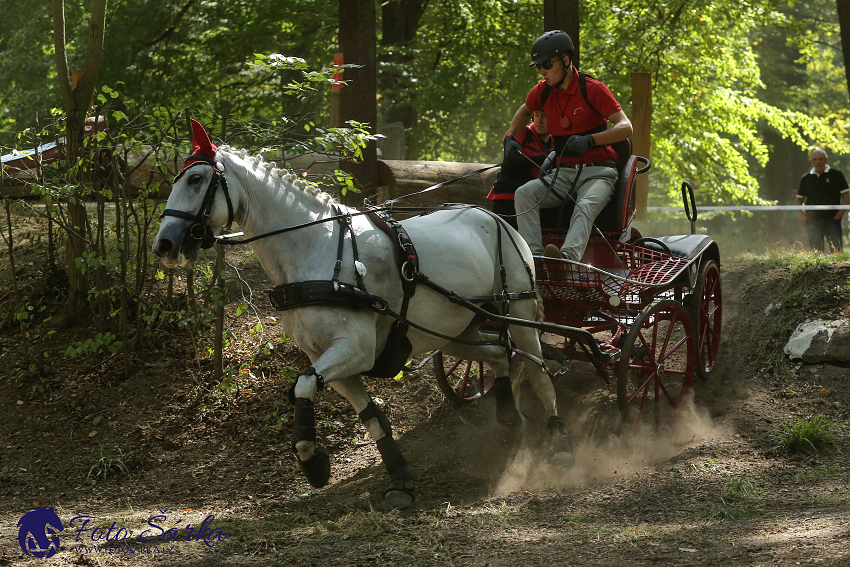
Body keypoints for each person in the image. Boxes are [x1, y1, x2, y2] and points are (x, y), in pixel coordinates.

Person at [506, 30, 632, 261]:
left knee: (584, 206)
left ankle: (566, 260)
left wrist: (591, 140)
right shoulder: (543, 91)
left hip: (599, 174)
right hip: (562, 174)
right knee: (524, 194)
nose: (542, 71)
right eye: (538, 66)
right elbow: (525, 110)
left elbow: (626, 127)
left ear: (565, 60)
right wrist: (511, 138)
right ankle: (535, 260)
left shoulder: (593, 89)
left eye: (546, 64)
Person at [487, 110, 553, 229]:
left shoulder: (554, 143)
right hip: (507, 198)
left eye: (544, 116)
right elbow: (512, 164)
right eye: (536, 115)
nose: (539, 121)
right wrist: (546, 158)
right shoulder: (522, 132)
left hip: (534, 202)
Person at [795, 148, 849, 252]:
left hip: (832, 219)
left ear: (826, 160)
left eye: (820, 158)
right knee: (816, 253)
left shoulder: (836, 175)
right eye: (815, 159)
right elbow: (798, 199)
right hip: (812, 221)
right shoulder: (806, 178)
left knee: (836, 252)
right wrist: (801, 215)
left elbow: (846, 197)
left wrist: (838, 216)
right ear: (812, 161)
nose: (818, 161)